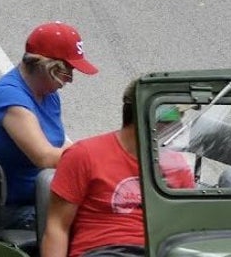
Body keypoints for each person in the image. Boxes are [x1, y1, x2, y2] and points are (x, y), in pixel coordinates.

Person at [0, 21, 98, 230]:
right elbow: (45, 157)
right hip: (19, 210)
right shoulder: (10, 98)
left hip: (48, 196)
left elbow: (62, 145)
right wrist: (102, 155)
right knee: (98, 227)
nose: (70, 80)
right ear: (47, 66)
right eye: (67, 71)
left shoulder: (49, 94)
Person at [42, 79, 158, 257]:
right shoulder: (84, 155)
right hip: (105, 251)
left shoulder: (176, 166)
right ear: (144, 113)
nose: (179, 124)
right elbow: (57, 227)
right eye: (172, 115)